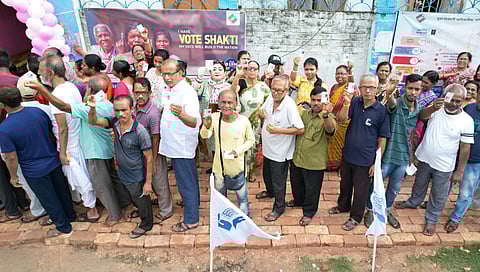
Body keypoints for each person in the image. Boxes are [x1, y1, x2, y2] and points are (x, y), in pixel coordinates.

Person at [26, 75, 125, 226]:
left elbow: (64, 107)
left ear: (90, 90)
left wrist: (42, 90)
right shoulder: (108, 105)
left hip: (94, 152)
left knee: (102, 186)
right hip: (106, 149)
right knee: (113, 178)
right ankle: (124, 202)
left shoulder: (88, 108)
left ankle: (114, 215)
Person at [395, 84, 474, 236]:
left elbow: (465, 148)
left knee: (438, 194)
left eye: (458, 101)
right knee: (419, 185)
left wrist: (460, 171)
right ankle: (413, 202)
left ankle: (431, 220)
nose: (454, 104)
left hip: (444, 166)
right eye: (451, 99)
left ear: (463, 101)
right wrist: (432, 108)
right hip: (425, 158)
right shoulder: (436, 110)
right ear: (445, 97)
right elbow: (422, 116)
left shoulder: (466, 120)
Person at [0, 87, 74, 237]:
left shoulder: (5, 128)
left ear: (4, 105)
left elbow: (11, 157)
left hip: (33, 169)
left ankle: (62, 226)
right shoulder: (38, 112)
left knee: (48, 198)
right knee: (61, 190)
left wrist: (13, 176)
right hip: (52, 159)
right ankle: (70, 215)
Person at [363, 74, 432, 228]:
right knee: (376, 185)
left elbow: (424, 116)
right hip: (388, 154)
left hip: (404, 157)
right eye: (410, 88)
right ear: (405, 88)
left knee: (394, 188)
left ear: (421, 90)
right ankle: (370, 210)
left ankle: (386, 211)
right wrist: (389, 93)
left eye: (416, 89)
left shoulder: (419, 108)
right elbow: (392, 103)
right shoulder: (397, 104)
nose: (413, 92)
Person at [39, 55, 100, 222]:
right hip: (79, 137)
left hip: (70, 142)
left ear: (50, 73)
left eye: (40, 71)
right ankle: (90, 204)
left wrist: (62, 152)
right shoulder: (71, 87)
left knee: (79, 176)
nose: (39, 75)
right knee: (83, 173)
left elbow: (62, 128)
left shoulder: (57, 95)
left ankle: (92, 210)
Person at [328, 74, 391, 231]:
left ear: (376, 89)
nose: (368, 91)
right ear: (359, 88)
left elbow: (383, 139)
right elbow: (341, 119)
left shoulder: (381, 110)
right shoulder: (355, 102)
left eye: (371, 87)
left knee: (361, 190)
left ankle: (355, 217)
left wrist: (376, 162)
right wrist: (347, 104)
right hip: (348, 154)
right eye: (364, 87)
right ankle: (342, 206)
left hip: (366, 159)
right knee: (345, 184)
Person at [88, 94, 154, 238]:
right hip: (123, 171)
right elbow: (93, 121)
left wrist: (148, 182)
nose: (120, 114)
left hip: (136, 174)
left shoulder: (140, 131)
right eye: (117, 110)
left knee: (141, 198)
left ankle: (146, 223)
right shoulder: (115, 123)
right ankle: (141, 211)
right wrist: (92, 108)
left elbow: (149, 158)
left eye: (124, 110)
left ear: (132, 109)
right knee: (134, 197)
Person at [159, 59, 201, 232]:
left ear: (181, 73)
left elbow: (194, 122)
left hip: (181, 145)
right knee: (187, 179)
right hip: (173, 143)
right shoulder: (170, 90)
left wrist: (181, 114)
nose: (167, 77)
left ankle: (191, 219)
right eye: (164, 74)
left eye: (171, 73)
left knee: (185, 182)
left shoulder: (187, 92)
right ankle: (193, 204)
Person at [200, 89, 255, 215]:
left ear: (236, 103)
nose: (226, 106)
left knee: (242, 199)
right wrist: (207, 126)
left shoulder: (243, 121)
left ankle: (244, 222)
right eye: (223, 102)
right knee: (221, 199)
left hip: (238, 167)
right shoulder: (214, 118)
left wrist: (238, 151)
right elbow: (205, 135)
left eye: (230, 103)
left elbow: (251, 140)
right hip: (219, 168)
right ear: (218, 103)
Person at [258, 75, 305, 222]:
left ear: (286, 91)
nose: (275, 93)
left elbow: (300, 129)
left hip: (280, 151)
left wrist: (279, 130)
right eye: (273, 89)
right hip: (268, 147)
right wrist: (260, 114)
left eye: (279, 91)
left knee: (279, 180)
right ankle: (270, 192)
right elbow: (263, 111)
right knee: (267, 175)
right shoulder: (270, 99)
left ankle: (279, 207)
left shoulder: (289, 105)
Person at [289, 86, 336, 225]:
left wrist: (326, 115)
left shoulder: (328, 116)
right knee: (296, 184)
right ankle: (298, 201)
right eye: (313, 99)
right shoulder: (305, 114)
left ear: (325, 101)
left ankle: (309, 212)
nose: (316, 103)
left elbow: (331, 129)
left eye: (319, 100)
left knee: (312, 189)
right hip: (298, 157)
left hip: (314, 162)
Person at [130, 77, 173, 222]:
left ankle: (166, 210)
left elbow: (156, 138)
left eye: (143, 93)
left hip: (153, 152)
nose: (140, 96)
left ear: (150, 93)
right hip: (138, 152)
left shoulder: (153, 113)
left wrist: (153, 161)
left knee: (159, 181)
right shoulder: (133, 109)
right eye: (137, 93)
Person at [445, 88, 480, 232]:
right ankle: (436, 205)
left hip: (475, 161)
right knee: (444, 185)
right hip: (455, 155)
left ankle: (455, 218)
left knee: (466, 192)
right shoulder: (469, 108)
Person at [231, 60, 270, 184]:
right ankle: (239, 171)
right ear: (246, 71)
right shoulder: (241, 83)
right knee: (240, 145)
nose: (252, 71)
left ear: (258, 71)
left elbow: (269, 102)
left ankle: (251, 171)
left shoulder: (263, 86)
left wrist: (262, 113)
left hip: (256, 121)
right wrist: (237, 76)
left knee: (252, 146)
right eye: (249, 69)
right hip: (241, 120)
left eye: (254, 69)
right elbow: (232, 92)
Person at [194, 60, 231, 160]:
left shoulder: (229, 87)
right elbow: (194, 91)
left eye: (220, 69)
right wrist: (199, 77)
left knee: (222, 144)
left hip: (224, 120)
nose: (217, 71)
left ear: (225, 72)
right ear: (210, 72)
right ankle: (214, 165)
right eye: (214, 69)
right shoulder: (205, 84)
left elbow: (237, 106)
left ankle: (222, 167)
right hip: (207, 120)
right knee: (210, 143)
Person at [327, 64, 356, 173]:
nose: (340, 76)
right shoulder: (334, 87)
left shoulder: (349, 87)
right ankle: (330, 164)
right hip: (332, 120)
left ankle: (339, 165)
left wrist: (351, 74)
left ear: (347, 75)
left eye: (343, 74)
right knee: (330, 143)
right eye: (337, 73)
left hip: (344, 122)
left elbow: (352, 83)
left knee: (341, 145)